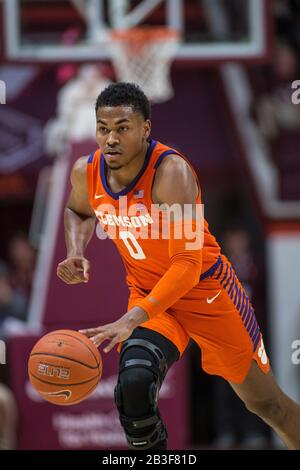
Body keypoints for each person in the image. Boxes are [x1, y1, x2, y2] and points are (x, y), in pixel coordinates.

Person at [57, 82, 300, 450]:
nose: (111, 139)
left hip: (207, 294)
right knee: (134, 387)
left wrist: (132, 318)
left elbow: (187, 265)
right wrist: (76, 249)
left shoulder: (173, 174)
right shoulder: (84, 172)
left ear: (145, 129)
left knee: (265, 404)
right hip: (151, 298)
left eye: (122, 128)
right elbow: (77, 210)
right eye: (103, 128)